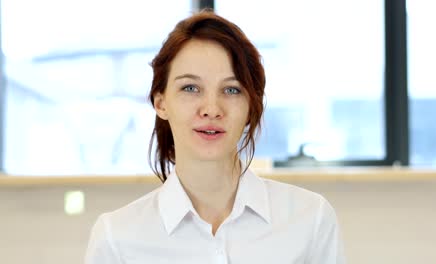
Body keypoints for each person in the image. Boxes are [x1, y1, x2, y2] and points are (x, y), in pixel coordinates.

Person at [85, 10, 345, 264]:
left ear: (251, 107)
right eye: (190, 88)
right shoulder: (116, 238)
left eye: (231, 89)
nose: (211, 108)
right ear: (161, 103)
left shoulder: (310, 219)